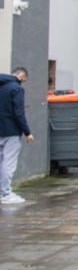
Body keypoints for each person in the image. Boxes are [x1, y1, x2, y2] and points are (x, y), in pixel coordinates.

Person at [1, 68, 34, 204]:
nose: (22, 83)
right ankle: (6, 194)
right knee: (8, 164)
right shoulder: (16, 89)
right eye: (24, 80)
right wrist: (27, 132)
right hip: (11, 131)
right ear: (21, 76)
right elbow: (19, 112)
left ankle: (3, 193)